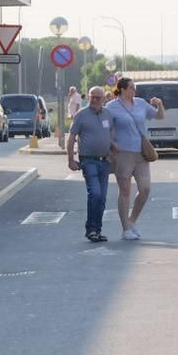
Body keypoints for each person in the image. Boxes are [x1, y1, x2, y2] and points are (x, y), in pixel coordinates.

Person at [107, 77, 166, 241]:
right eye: (132, 88)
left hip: (141, 153)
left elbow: (159, 116)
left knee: (145, 189)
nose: (135, 90)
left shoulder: (140, 103)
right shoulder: (111, 107)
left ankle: (132, 221)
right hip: (123, 154)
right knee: (125, 191)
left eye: (135, 88)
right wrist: (112, 144)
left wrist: (159, 104)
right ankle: (125, 228)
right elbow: (106, 128)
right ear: (123, 89)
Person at [66, 86, 115, 242]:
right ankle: (91, 229)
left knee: (102, 198)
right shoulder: (81, 115)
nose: (94, 100)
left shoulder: (108, 114)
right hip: (88, 160)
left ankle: (97, 230)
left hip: (105, 161)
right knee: (95, 193)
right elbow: (72, 137)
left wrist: (113, 152)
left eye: (97, 98)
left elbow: (111, 134)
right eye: (91, 97)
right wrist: (70, 159)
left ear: (104, 99)